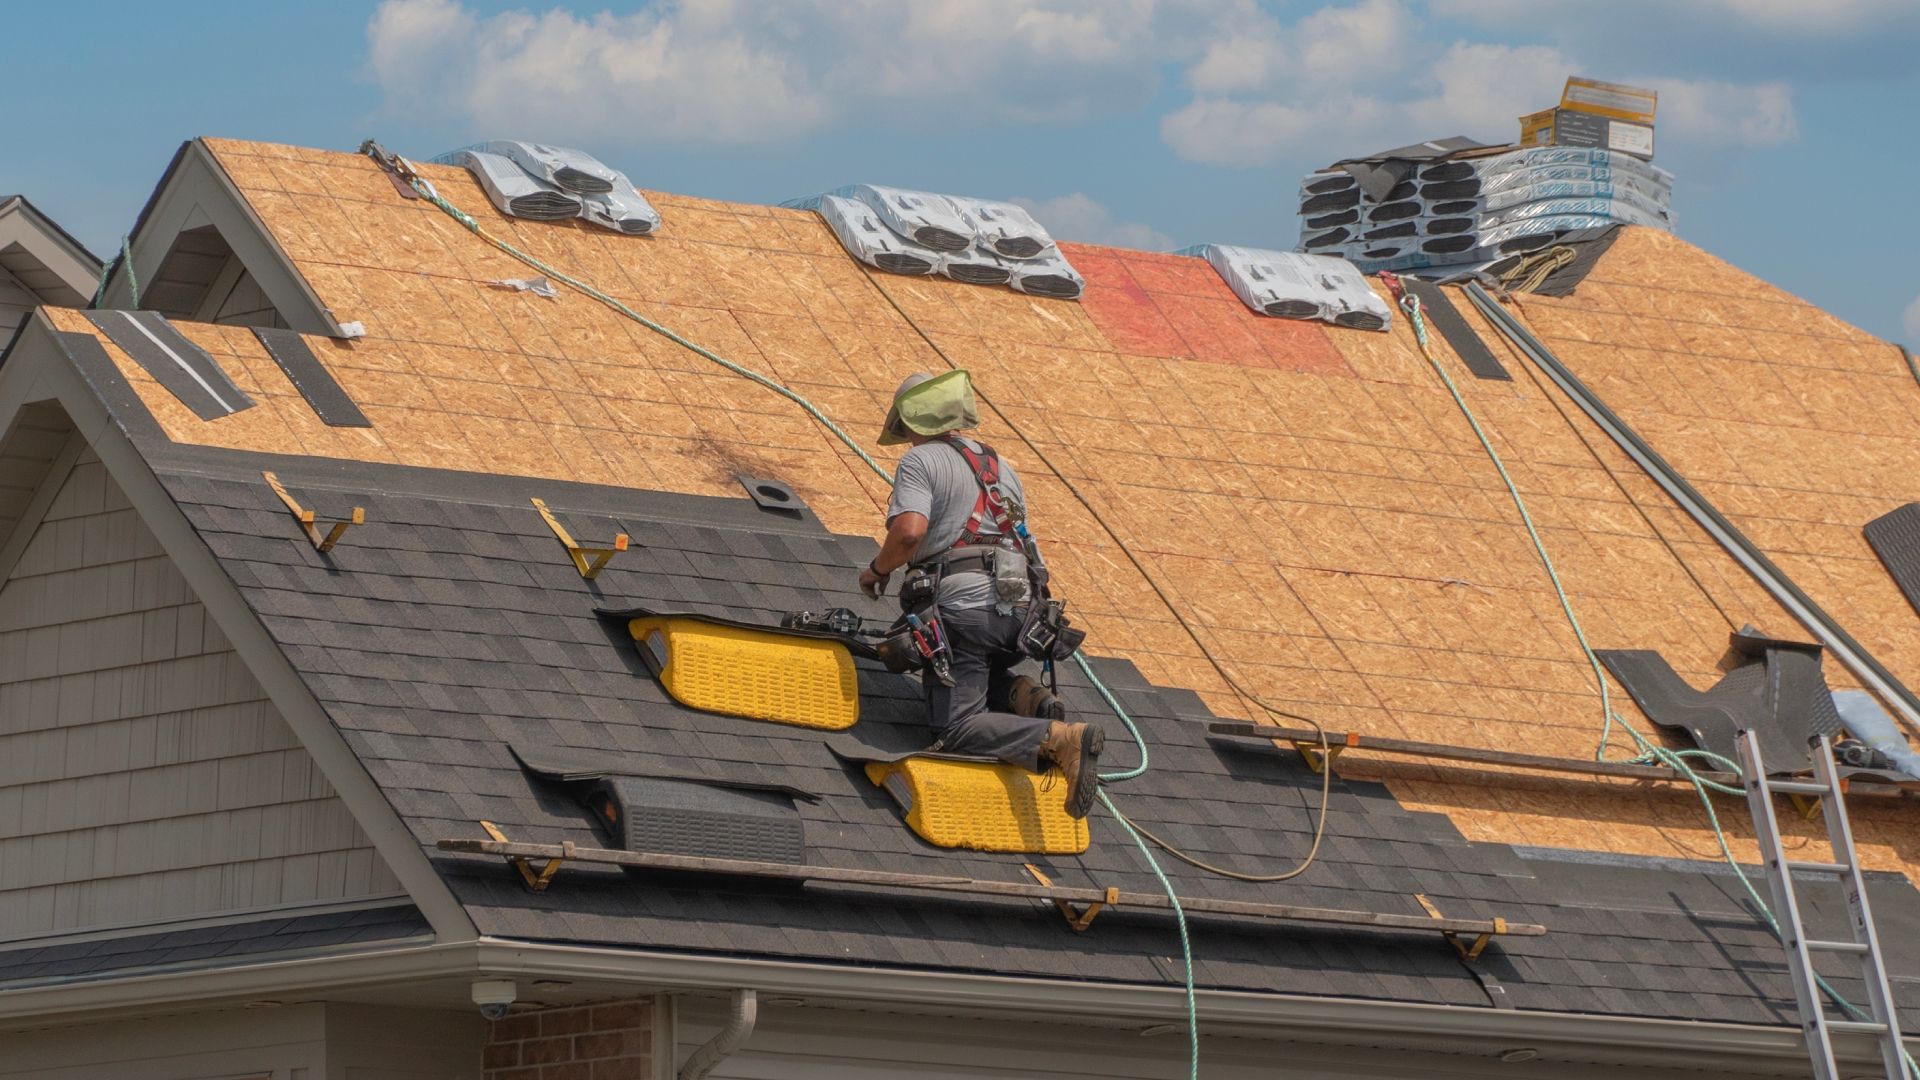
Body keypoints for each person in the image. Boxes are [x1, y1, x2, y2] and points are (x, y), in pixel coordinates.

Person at [858, 371, 1104, 818]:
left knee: (956, 727)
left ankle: (1059, 738)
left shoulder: (921, 461)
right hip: (1023, 616)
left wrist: (876, 570)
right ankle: (1024, 697)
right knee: (970, 667)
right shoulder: (1000, 467)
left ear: (909, 421)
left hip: (965, 610)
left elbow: (909, 533)